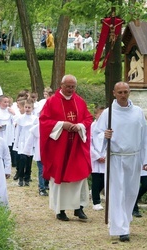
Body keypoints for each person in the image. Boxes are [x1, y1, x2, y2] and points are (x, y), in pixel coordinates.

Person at [93, 81, 147, 242]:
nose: (123, 95)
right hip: (115, 158)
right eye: (120, 92)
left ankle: (125, 221)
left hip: (133, 157)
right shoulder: (108, 113)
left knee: (130, 192)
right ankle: (121, 228)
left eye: (125, 92)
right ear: (114, 93)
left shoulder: (138, 112)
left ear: (129, 92)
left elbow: (144, 136)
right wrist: (104, 136)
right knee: (116, 193)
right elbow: (96, 134)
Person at [39, 74, 93, 221]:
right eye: (68, 86)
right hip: (59, 148)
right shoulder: (51, 102)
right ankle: (60, 210)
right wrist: (62, 124)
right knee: (60, 177)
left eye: (72, 87)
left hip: (76, 147)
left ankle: (79, 208)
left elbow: (88, 118)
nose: (70, 89)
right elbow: (44, 121)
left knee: (79, 175)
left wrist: (80, 126)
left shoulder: (79, 101)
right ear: (61, 85)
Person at [14, 99, 36, 187]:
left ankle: (27, 178)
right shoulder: (20, 118)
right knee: (22, 159)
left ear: (32, 108)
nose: (27, 109)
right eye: (26, 107)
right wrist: (16, 142)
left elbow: (35, 132)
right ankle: (20, 177)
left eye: (29, 107)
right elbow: (18, 131)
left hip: (30, 142)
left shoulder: (35, 119)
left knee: (28, 161)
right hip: (22, 141)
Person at [90, 105, 106, 211]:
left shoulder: (107, 127)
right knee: (96, 179)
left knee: (104, 180)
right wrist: (96, 156)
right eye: (100, 114)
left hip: (105, 158)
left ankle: (94, 192)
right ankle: (96, 201)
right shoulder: (92, 127)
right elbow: (89, 143)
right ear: (95, 115)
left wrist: (105, 155)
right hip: (95, 158)